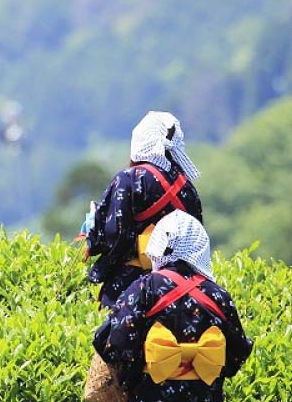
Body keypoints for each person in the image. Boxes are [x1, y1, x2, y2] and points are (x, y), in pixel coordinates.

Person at [93, 210, 252, 402]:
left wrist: (133, 372)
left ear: (158, 245)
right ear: (200, 247)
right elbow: (238, 352)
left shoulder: (144, 288)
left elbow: (113, 342)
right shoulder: (219, 296)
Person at [84, 111, 204, 308]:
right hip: (180, 290)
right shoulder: (188, 188)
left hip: (130, 285)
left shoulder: (129, 179)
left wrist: (92, 233)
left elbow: (115, 236)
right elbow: (196, 238)